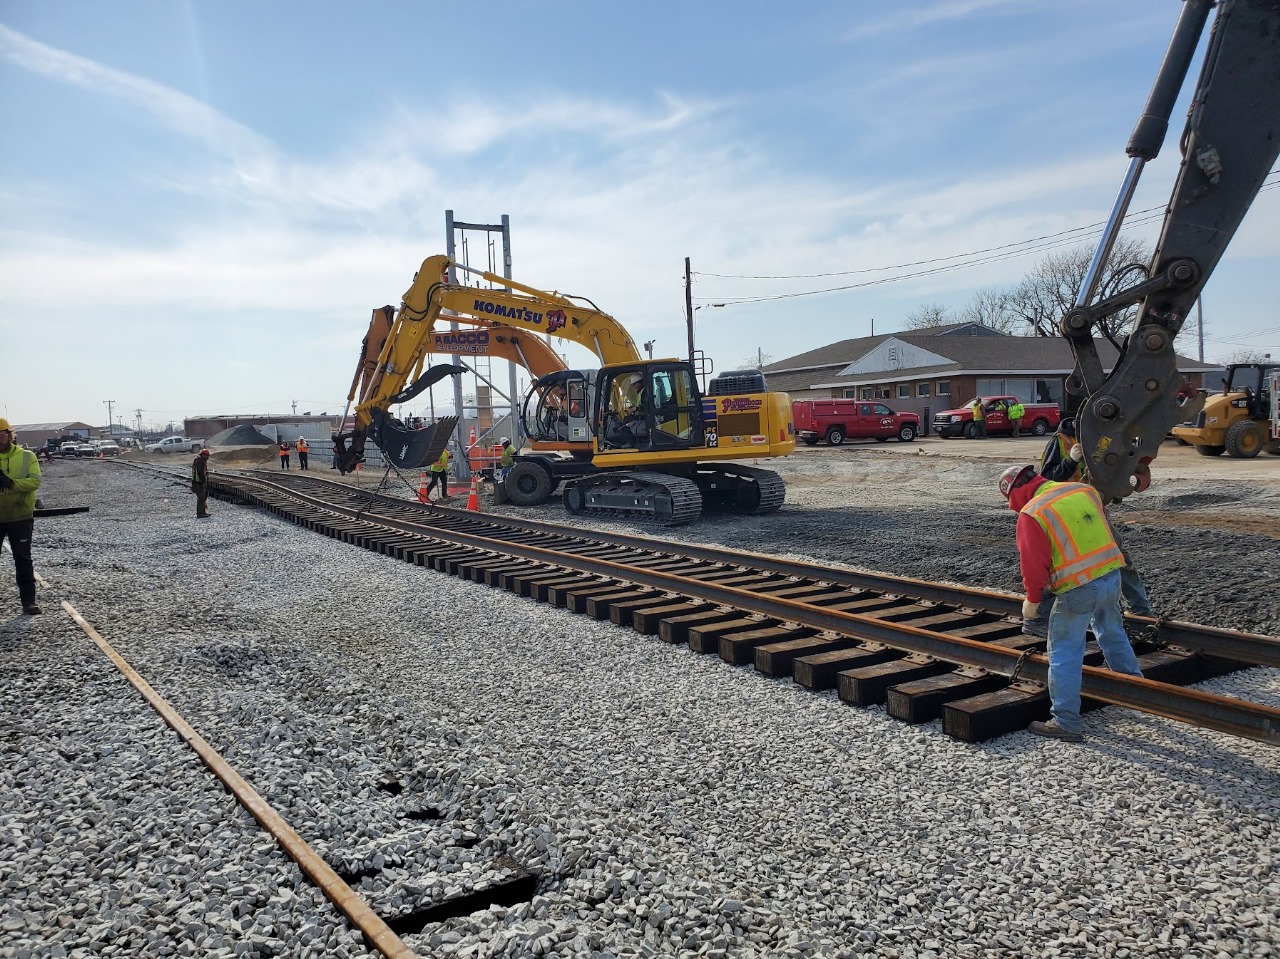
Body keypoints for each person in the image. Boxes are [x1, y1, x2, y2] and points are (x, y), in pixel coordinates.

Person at [999, 463, 1144, 741]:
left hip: (1078, 587)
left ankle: (1066, 722)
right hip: (1111, 575)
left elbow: (1033, 565)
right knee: (1112, 632)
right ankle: (1135, 693)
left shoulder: (1032, 513)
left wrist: (1032, 600)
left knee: (1064, 651)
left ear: (1014, 493)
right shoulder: (1083, 491)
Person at [1025, 417, 1157, 638]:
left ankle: (1141, 610)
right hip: (1065, 514)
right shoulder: (1060, 442)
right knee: (1064, 562)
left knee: (1117, 556)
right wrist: (1070, 461)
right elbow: (1046, 479)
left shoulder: (1106, 439)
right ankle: (1040, 615)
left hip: (1094, 510)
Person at [0, 419, 43, 615]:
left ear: (10, 435)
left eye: (1, 434)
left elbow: (35, 481)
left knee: (23, 559)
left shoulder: (27, 456)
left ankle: (28, 602)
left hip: (20, 516)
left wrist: (11, 483)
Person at [191, 448, 211, 518]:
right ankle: (200, 513)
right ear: (203, 455)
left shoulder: (199, 461)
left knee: (202, 498)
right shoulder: (200, 462)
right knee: (201, 498)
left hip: (197, 482)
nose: (208, 457)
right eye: (207, 456)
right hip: (199, 482)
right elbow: (200, 472)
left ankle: (203, 512)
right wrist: (204, 481)